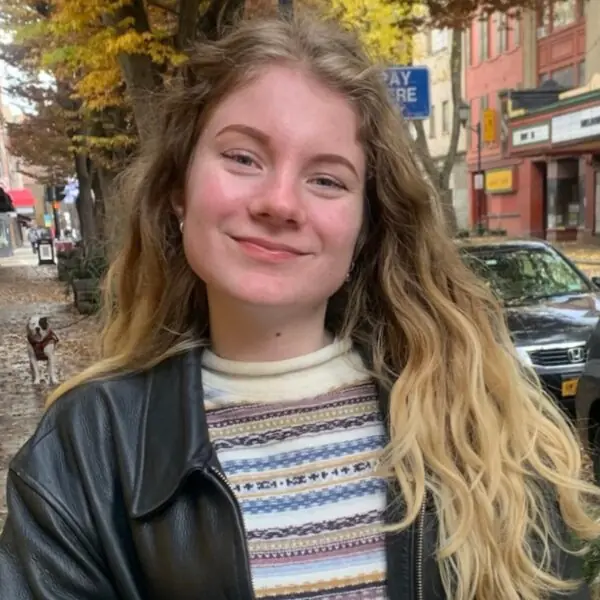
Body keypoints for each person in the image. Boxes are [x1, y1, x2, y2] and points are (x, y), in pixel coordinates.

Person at [0, 15, 598, 600]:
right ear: (179, 190)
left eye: (327, 180)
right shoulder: (84, 449)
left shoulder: (482, 424)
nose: (280, 203)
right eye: (243, 157)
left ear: (365, 227)